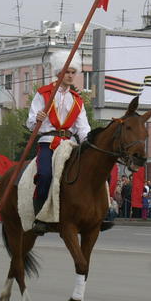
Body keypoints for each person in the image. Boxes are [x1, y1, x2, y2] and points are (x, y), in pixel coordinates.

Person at [26, 50, 91, 235]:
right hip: (48, 141)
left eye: (73, 72)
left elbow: (83, 128)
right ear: (58, 73)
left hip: (69, 144)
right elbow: (31, 123)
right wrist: (37, 119)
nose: (70, 76)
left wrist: (89, 142)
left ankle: (93, 213)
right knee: (45, 175)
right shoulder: (44, 94)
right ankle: (40, 217)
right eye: (66, 72)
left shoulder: (77, 100)